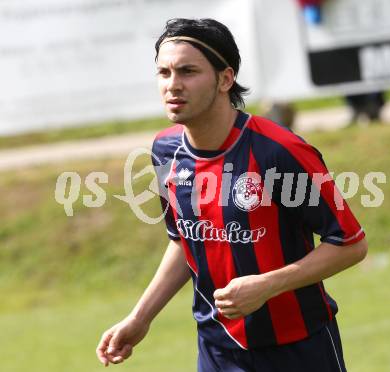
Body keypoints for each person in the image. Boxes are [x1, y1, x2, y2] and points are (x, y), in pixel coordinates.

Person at [96, 18, 368, 371]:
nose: (173, 85)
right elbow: (185, 240)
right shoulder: (165, 151)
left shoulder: (277, 151)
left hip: (298, 349)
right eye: (163, 73)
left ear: (225, 79)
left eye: (188, 71)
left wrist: (268, 286)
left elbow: (350, 243)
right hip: (217, 352)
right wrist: (140, 317)